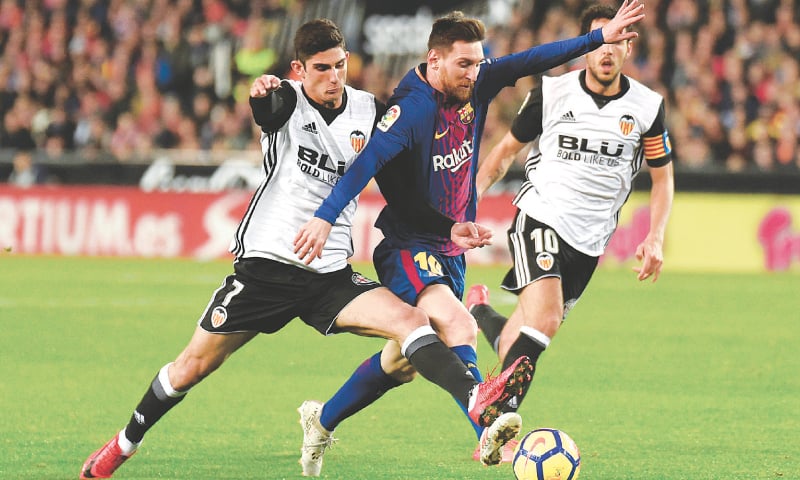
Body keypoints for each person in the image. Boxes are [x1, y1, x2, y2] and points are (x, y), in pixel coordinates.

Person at [78, 19, 534, 480]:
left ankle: (477, 399)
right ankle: (123, 444)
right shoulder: (287, 101)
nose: (334, 77)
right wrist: (261, 93)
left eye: (340, 65)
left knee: (412, 320)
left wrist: (448, 226)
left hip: (329, 275)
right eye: (322, 68)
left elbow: (399, 191)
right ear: (299, 69)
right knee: (190, 367)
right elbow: (266, 110)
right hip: (267, 268)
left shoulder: (368, 111)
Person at [293, 1, 646, 470]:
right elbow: (366, 164)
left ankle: (321, 421)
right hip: (407, 247)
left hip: (449, 248)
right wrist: (324, 216)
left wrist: (598, 39)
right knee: (461, 326)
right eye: (464, 64)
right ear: (434, 60)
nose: (474, 74)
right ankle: (489, 428)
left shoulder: (475, 80)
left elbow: (533, 57)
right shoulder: (413, 108)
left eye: (479, 62)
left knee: (400, 362)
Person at [465, 3, 675, 457]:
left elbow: (662, 176)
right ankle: (492, 420)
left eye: (617, 42)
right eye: (600, 41)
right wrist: (471, 201)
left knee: (517, 340)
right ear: (587, 46)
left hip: (590, 239)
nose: (608, 51)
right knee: (545, 321)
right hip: (540, 215)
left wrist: (655, 235)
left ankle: (478, 311)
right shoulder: (552, 92)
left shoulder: (646, 107)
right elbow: (505, 152)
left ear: (628, 46)